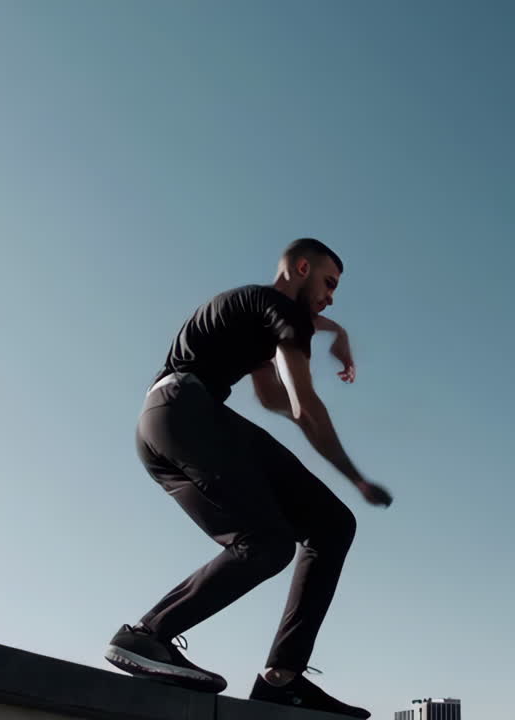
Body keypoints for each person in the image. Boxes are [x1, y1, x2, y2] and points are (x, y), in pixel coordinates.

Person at [104, 238, 392, 718]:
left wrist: (330, 328)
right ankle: (146, 636)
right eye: (328, 283)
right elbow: (302, 406)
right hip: (183, 412)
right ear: (301, 267)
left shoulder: (254, 312)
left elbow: (272, 399)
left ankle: (282, 678)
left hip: (168, 423)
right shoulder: (276, 307)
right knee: (266, 540)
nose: (331, 296)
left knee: (329, 524)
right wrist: (356, 476)